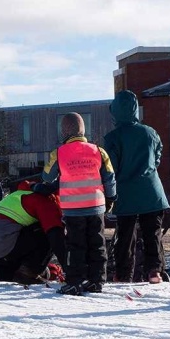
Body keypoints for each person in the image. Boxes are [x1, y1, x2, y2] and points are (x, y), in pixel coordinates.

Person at [40, 113, 116, 295]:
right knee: (97, 243)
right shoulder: (99, 151)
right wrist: (110, 199)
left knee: (75, 246)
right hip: (96, 206)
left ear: (64, 131)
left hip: (73, 209)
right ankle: (97, 281)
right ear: (83, 129)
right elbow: (110, 178)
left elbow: (47, 177)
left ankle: (75, 281)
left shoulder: (58, 153)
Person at [103, 90, 169, 284]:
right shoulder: (151, 133)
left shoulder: (112, 138)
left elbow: (110, 168)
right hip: (152, 190)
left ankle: (122, 274)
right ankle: (154, 272)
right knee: (153, 233)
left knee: (125, 235)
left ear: (115, 111)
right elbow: (157, 158)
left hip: (126, 192)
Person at [0, 179, 66, 286]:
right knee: (51, 231)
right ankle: (28, 272)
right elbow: (56, 238)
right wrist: (70, 270)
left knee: (30, 229)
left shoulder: (20, 194)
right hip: (5, 243)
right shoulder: (46, 200)